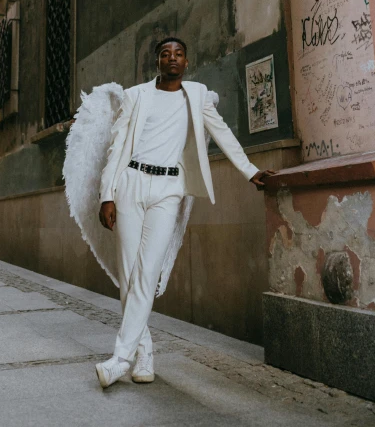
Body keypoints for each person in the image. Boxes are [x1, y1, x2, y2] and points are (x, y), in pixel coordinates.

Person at [95, 37, 271, 388]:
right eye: (165, 54)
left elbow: (222, 133)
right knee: (130, 273)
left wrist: (250, 170)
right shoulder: (136, 96)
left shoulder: (197, 95)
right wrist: (107, 195)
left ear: (186, 62)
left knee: (148, 271)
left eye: (178, 54)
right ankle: (144, 353)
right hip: (130, 184)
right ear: (157, 62)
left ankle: (120, 359)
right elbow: (116, 148)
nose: (172, 59)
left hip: (168, 190)